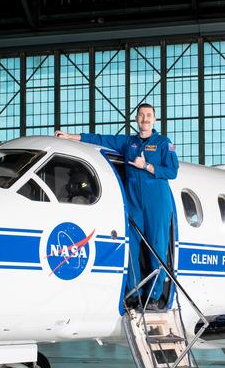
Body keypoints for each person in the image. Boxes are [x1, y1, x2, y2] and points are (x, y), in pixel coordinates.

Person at [56, 103, 178, 309]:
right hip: (133, 200)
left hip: (157, 200)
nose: (145, 118)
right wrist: (70, 137)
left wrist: (146, 166)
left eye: (148, 115)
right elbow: (101, 139)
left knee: (157, 246)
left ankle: (154, 297)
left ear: (154, 119)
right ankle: (134, 293)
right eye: (141, 115)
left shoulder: (164, 143)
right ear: (137, 119)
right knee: (130, 245)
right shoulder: (128, 142)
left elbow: (172, 171)